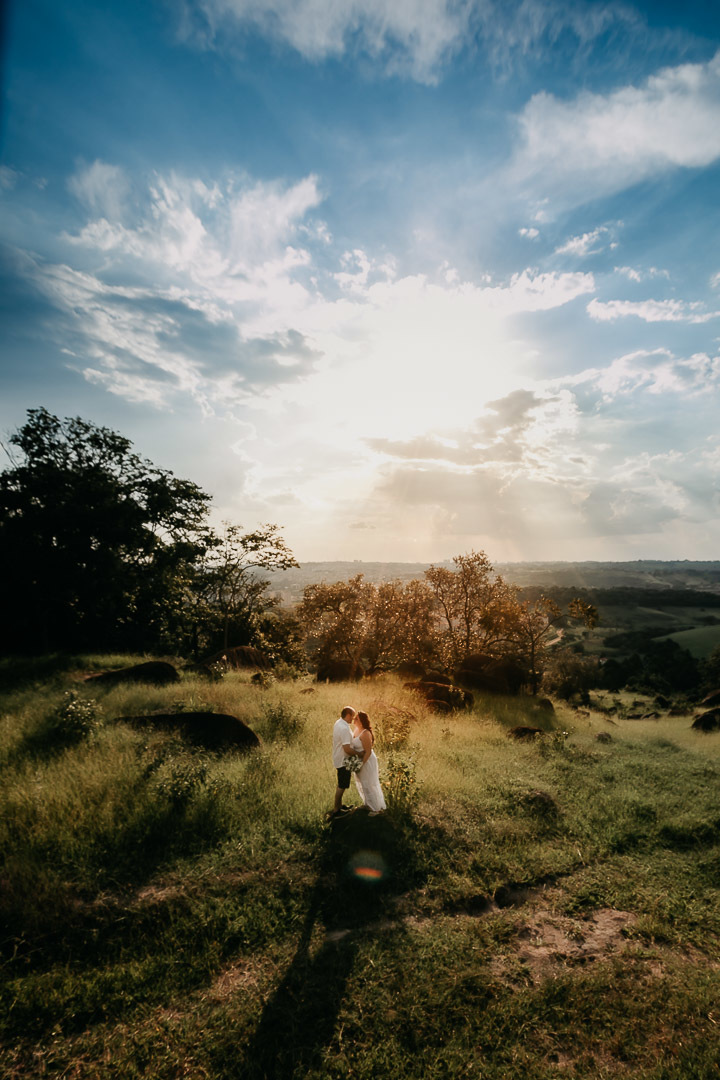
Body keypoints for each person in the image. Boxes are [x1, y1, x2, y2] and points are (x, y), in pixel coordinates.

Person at [351, 710, 386, 814]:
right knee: (362, 782)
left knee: (369, 783)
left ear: (361, 721)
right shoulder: (356, 730)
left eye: (356, 718)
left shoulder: (365, 733)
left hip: (367, 761)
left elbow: (368, 752)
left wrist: (361, 764)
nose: (354, 719)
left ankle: (375, 808)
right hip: (360, 759)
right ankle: (368, 804)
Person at [332, 705, 358, 816]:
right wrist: (360, 753)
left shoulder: (340, 723)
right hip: (344, 760)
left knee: (342, 783)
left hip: (340, 758)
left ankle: (340, 806)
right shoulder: (343, 728)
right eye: (352, 716)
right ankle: (336, 809)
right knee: (342, 785)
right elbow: (347, 749)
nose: (353, 719)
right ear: (347, 715)